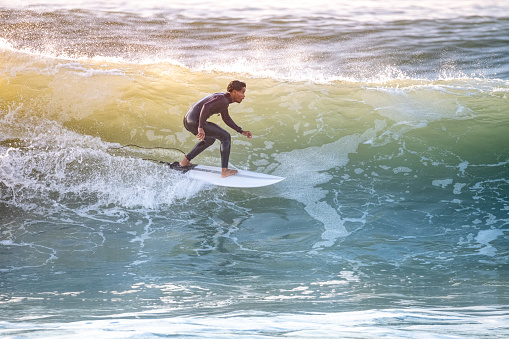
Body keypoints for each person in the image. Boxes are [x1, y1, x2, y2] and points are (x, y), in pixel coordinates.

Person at [178, 80, 252, 178]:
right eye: (242, 92)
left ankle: (184, 162)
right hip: (195, 121)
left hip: (189, 120)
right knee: (225, 137)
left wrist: (241, 131)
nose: (244, 96)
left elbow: (226, 118)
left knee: (209, 140)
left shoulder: (223, 99)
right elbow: (206, 106)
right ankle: (224, 171)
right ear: (234, 92)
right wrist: (200, 127)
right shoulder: (223, 100)